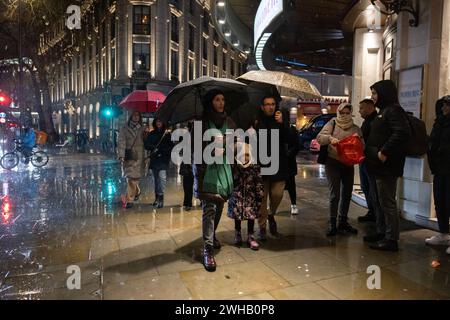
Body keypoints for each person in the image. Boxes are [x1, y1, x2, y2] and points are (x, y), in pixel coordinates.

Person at [192, 89, 236, 272]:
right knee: (209, 208)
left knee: (219, 205)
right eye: (217, 99)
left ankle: (212, 234)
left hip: (224, 168)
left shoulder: (230, 122)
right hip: (207, 169)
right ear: (211, 102)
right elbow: (194, 147)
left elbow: (235, 145)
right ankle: (207, 248)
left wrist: (231, 147)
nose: (221, 103)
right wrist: (211, 150)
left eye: (223, 99)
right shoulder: (201, 123)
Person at [365, 80, 411, 252]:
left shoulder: (393, 110)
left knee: (387, 202)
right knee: (380, 201)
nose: (372, 97)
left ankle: (391, 239)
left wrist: (383, 152)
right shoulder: (383, 111)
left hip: (387, 167)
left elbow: (402, 132)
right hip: (378, 166)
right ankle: (382, 232)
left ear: (384, 93)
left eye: (375, 93)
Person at [317, 103, 362, 236]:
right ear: (338, 112)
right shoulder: (333, 123)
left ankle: (343, 221)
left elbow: (362, 145)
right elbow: (320, 138)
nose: (345, 115)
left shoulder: (356, 128)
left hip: (348, 163)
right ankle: (332, 222)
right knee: (335, 194)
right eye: (342, 113)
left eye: (348, 112)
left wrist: (357, 144)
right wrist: (330, 139)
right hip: (333, 162)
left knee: (347, 193)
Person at [254, 95, 290, 240]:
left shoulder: (281, 120)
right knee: (262, 198)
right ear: (262, 107)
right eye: (267, 104)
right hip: (261, 164)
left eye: (273, 104)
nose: (270, 107)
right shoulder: (256, 122)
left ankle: (271, 214)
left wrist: (282, 123)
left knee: (277, 194)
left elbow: (289, 138)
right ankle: (262, 227)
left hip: (278, 164)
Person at [227, 142, 264, 250]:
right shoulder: (234, 166)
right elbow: (230, 179)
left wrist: (259, 195)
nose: (245, 158)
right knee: (237, 216)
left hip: (250, 197)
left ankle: (250, 236)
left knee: (251, 216)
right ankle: (237, 232)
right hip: (237, 196)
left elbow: (258, 181)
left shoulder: (254, 166)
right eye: (242, 155)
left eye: (247, 155)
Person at [425, 95, 450, 254]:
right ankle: (443, 233)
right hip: (440, 169)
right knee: (440, 202)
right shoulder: (440, 122)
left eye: (447, 105)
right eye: (443, 105)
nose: (443, 108)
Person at [118, 111, 145, 209]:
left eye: (138, 115)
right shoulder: (124, 129)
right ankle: (132, 196)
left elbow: (147, 142)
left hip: (139, 156)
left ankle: (133, 195)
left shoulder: (143, 128)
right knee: (130, 178)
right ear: (130, 116)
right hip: (128, 156)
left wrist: (147, 133)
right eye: (134, 115)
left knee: (134, 178)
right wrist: (121, 155)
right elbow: (121, 142)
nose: (136, 117)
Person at [144, 117, 173, 209]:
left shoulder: (167, 134)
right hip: (154, 160)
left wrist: (160, 150)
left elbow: (170, 147)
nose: (158, 122)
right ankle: (156, 198)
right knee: (156, 180)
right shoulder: (151, 134)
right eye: (157, 121)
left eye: (160, 121)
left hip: (163, 159)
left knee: (162, 178)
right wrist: (154, 148)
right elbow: (146, 145)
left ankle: (161, 198)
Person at [358, 99, 377, 223]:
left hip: (371, 160)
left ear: (370, 108)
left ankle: (375, 213)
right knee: (365, 187)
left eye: (361, 108)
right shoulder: (366, 122)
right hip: (363, 159)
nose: (359, 111)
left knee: (371, 188)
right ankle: (372, 211)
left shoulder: (376, 121)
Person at [285, 124, 300, 215]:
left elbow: (297, 145)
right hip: (276, 161)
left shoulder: (292, 129)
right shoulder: (274, 126)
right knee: (274, 186)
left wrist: (289, 153)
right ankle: (271, 205)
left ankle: (293, 204)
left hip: (289, 161)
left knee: (291, 184)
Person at [180, 121, 195, 211]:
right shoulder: (186, 133)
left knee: (200, 184)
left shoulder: (202, 131)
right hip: (188, 161)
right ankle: (187, 202)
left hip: (200, 160)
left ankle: (202, 201)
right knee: (187, 183)